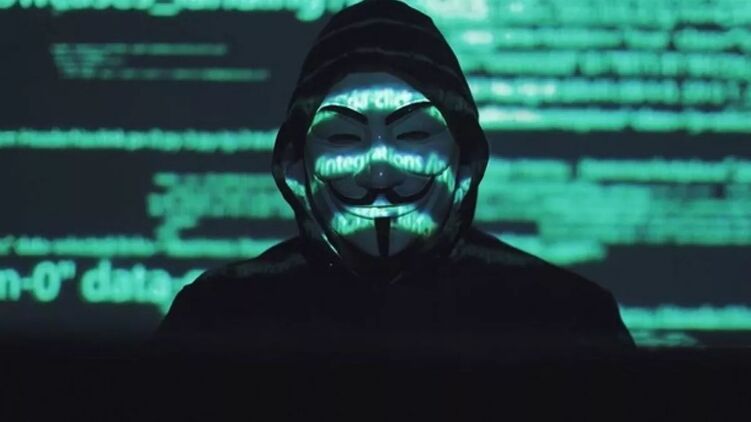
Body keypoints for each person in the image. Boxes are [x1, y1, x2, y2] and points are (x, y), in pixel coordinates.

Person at [151, 0, 634, 360]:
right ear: (296, 167)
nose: (379, 170)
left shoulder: (565, 320)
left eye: (413, 134)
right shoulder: (218, 318)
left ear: (466, 162)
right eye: (344, 137)